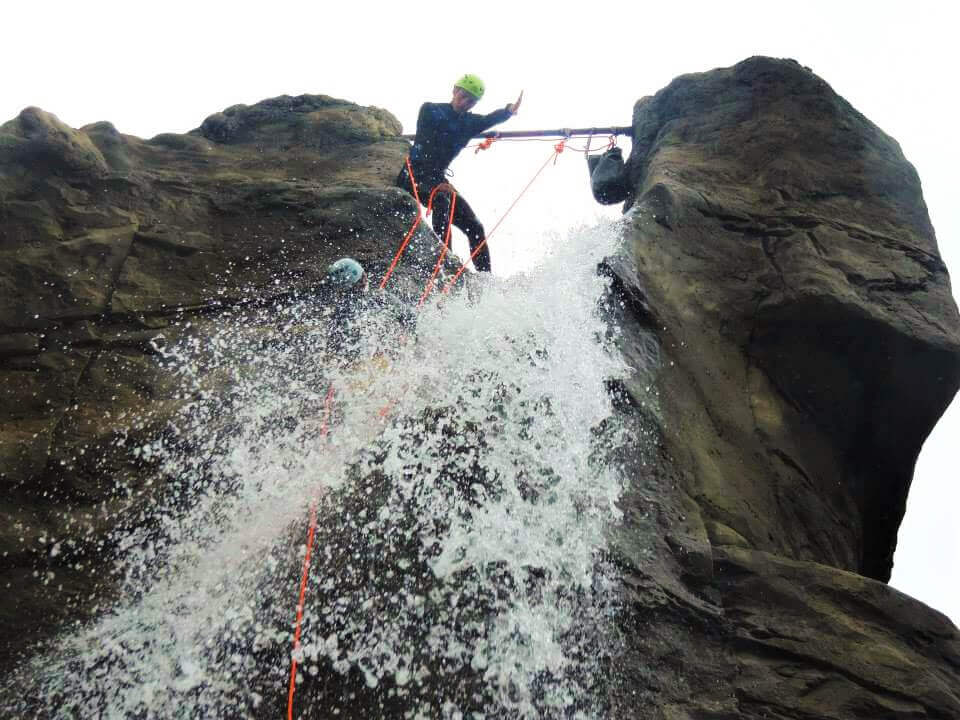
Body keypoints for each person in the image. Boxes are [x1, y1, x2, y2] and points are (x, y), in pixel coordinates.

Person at [396, 74, 523, 273]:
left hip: (437, 178)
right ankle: (445, 263)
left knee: (475, 227)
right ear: (455, 90)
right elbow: (440, 136)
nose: (465, 103)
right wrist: (478, 125)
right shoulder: (430, 109)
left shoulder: (469, 122)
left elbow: (489, 119)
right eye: (463, 96)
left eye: (471, 101)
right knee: (442, 197)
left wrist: (507, 111)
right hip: (413, 175)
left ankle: (486, 281)